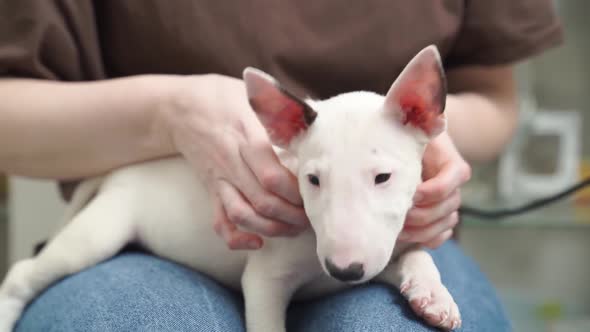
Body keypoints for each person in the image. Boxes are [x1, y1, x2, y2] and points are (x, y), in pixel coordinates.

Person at [0, 0, 562, 331]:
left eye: (381, 177)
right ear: (283, 133)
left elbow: (495, 101)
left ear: (422, 111)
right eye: (315, 180)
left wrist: (424, 155)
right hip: (147, 228)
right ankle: (16, 291)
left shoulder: (414, 125)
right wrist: (165, 113)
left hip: (420, 230)